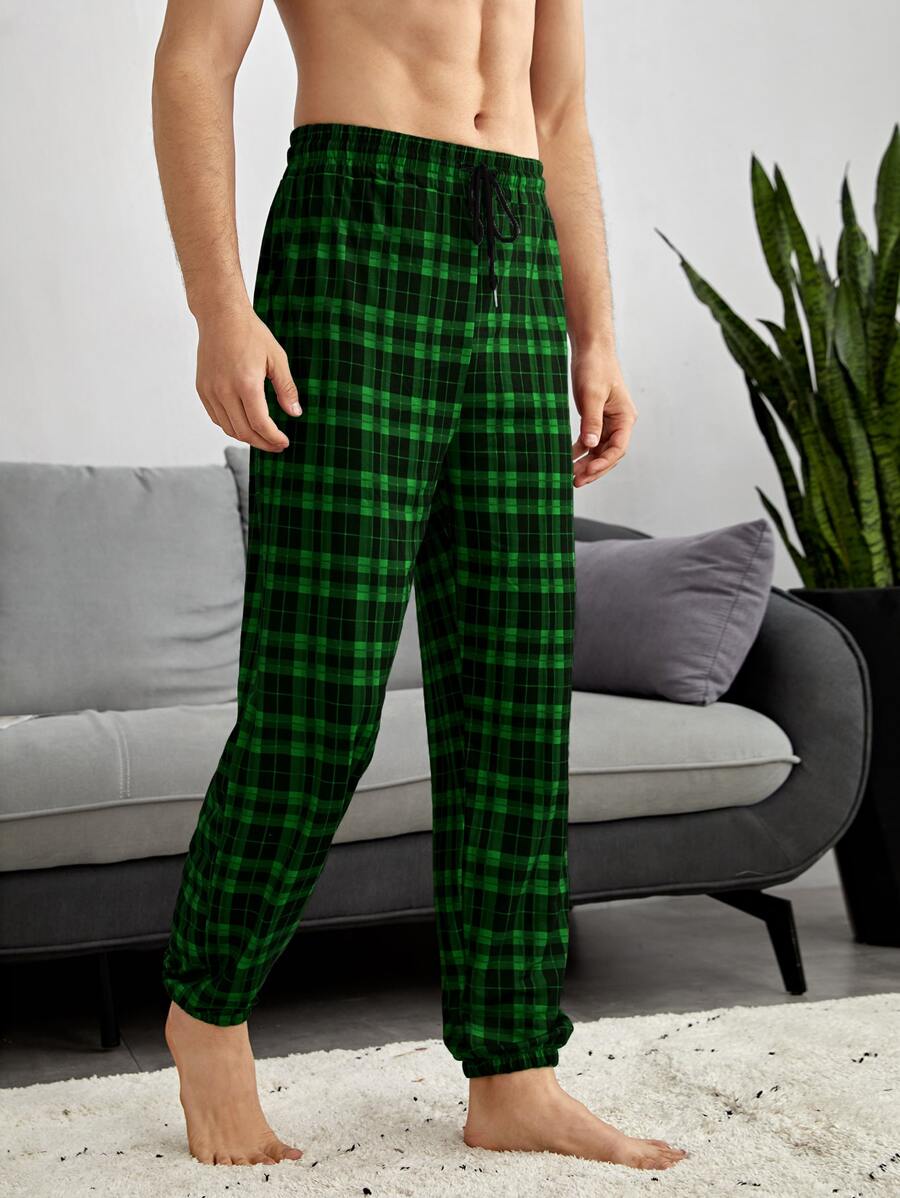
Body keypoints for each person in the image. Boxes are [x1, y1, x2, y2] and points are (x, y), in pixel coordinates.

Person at [151, 0, 684, 1173]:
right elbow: (194, 60)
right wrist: (219, 306)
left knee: (514, 690)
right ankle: (209, 1012)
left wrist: (595, 334)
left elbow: (557, 110)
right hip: (357, 224)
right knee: (321, 694)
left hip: (515, 242)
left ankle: (514, 1071)